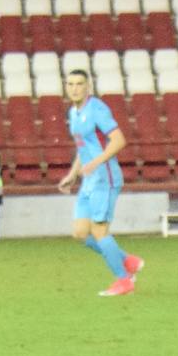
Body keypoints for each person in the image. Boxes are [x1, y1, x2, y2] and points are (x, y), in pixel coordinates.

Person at [56, 70, 142, 298]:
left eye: (79, 84)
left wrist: (95, 162)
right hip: (88, 179)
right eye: (70, 84)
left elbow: (119, 140)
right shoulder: (74, 112)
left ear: (88, 87)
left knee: (100, 230)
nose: (74, 88)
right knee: (80, 232)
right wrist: (73, 174)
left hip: (105, 177)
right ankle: (127, 261)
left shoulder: (97, 109)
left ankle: (124, 280)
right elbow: (82, 146)